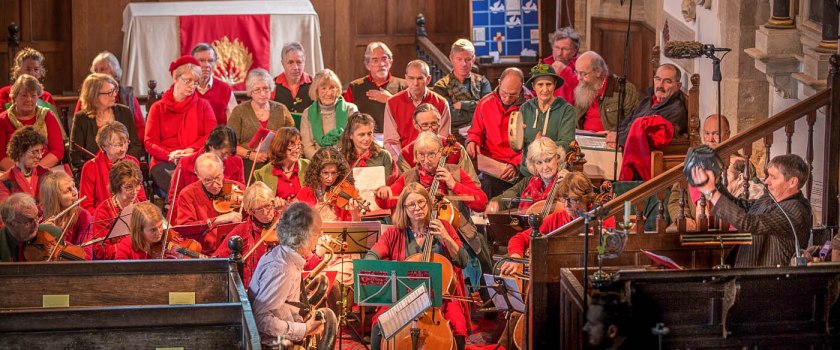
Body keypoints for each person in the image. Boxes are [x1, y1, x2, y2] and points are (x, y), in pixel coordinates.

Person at [367, 183, 471, 350]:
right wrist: (388, 268)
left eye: (422, 202)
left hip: (439, 298)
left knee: (457, 328)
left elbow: (463, 260)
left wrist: (446, 237)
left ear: (428, 204)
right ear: (404, 208)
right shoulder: (394, 233)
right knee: (379, 328)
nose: (417, 208)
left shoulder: (444, 227)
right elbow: (371, 256)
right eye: (411, 204)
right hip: (404, 297)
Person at [376, 131, 489, 284]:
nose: (426, 160)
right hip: (418, 236)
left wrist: (454, 184)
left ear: (440, 153)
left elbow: (481, 203)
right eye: (421, 155)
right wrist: (383, 194)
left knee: (465, 269)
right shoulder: (409, 176)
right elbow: (388, 202)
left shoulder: (455, 172)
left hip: (455, 235)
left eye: (431, 154)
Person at [689, 153, 812, 267]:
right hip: (746, 274)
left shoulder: (796, 209)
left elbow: (750, 223)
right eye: (768, 175)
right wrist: (715, 182)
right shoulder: (770, 197)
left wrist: (711, 192)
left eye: (773, 177)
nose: (766, 181)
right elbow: (741, 205)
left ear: (792, 182)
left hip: (767, 282)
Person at [499, 171, 614, 275]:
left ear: (586, 198)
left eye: (573, 200)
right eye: (564, 199)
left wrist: (604, 240)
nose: (566, 205)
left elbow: (613, 252)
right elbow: (520, 238)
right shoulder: (555, 219)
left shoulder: (604, 219)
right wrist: (515, 257)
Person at [248, 202, 328, 347]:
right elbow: (260, 320)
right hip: (273, 344)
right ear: (305, 237)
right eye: (317, 233)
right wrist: (305, 329)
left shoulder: (284, 255)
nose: (320, 236)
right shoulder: (281, 270)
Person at [145, 55, 217, 198]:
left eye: (196, 82)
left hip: (195, 157)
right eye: (188, 80)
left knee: (203, 177)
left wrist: (190, 150)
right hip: (165, 161)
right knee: (175, 179)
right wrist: (171, 155)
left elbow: (211, 135)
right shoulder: (157, 108)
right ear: (175, 78)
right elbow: (149, 142)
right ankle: (178, 213)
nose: (192, 86)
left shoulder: (203, 106)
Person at [608, 64, 688, 181]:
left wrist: (618, 138)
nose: (660, 85)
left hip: (636, 157)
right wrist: (614, 132)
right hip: (621, 145)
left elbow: (646, 138)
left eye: (667, 81)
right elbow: (629, 119)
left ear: (678, 85)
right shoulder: (649, 100)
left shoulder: (675, 110)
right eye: (658, 79)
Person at [466, 67, 528, 197]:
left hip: (519, 163)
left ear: (521, 88)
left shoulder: (528, 107)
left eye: (512, 95)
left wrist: (516, 164)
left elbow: (531, 143)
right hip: (492, 163)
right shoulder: (485, 103)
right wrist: (472, 141)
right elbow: (475, 132)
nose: (507, 98)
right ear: (499, 83)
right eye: (504, 93)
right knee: (488, 185)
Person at [172, 153, 244, 255]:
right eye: (208, 180)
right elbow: (185, 229)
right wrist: (216, 221)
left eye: (218, 177)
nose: (215, 185)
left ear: (223, 170)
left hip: (236, 250)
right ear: (197, 175)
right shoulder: (187, 194)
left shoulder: (238, 189)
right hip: (204, 253)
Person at [70, 73, 145, 171]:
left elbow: (135, 146)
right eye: (110, 92)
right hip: (94, 171)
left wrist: (121, 165)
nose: (115, 94)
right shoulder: (81, 118)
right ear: (94, 95)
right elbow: (75, 155)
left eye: (115, 90)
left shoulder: (125, 112)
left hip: (123, 169)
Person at [228, 68, 295, 176]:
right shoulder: (239, 111)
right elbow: (231, 144)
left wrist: (277, 152)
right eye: (257, 90)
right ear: (250, 91)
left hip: (277, 162)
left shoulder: (281, 109)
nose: (262, 93)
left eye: (266, 89)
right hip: (248, 163)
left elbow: (293, 137)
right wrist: (251, 155)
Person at [73, 51, 146, 147]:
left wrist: (123, 149)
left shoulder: (128, 96)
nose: (98, 73)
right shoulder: (86, 99)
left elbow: (140, 131)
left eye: (102, 69)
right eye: (95, 70)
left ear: (114, 71)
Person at [213, 181, 279, 286]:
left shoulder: (285, 223)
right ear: (250, 211)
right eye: (259, 209)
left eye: (268, 206)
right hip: (255, 288)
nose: (266, 212)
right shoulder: (241, 230)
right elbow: (218, 259)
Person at [383, 60, 452, 160]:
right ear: (406, 78)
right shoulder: (392, 103)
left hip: (433, 160)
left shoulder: (441, 103)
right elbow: (391, 142)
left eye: (420, 78)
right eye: (411, 78)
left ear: (428, 79)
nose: (415, 83)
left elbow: (443, 140)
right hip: (403, 161)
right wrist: (403, 163)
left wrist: (430, 162)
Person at [397, 104, 478, 184]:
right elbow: (407, 188)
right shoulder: (406, 154)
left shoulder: (456, 149)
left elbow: (473, 184)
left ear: (439, 123)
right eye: (425, 125)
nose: (430, 130)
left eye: (433, 124)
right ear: (416, 125)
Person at [518, 63, 576, 175]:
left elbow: (567, 143)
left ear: (555, 85)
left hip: (555, 173)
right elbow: (518, 146)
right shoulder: (525, 108)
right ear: (533, 86)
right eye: (540, 85)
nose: (545, 89)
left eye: (549, 84)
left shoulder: (566, 110)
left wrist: (541, 144)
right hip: (528, 172)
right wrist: (517, 136)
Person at [0, 75, 65, 172]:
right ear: (14, 97)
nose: (29, 99)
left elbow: (57, 150)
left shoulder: (48, 116)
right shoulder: (3, 120)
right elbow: (1, 155)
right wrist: (21, 172)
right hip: (13, 172)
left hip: (44, 169)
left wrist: (35, 170)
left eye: (33, 95)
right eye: (24, 95)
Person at [79, 121, 147, 213]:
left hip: (132, 214)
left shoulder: (133, 161)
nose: (123, 149)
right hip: (103, 218)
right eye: (117, 145)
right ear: (103, 147)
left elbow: (141, 197)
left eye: (125, 143)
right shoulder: (90, 167)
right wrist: (107, 217)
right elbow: (86, 206)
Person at [487, 138, 568, 213]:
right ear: (534, 165)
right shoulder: (528, 182)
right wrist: (496, 203)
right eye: (539, 163)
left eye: (548, 160)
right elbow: (508, 196)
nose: (545, 167)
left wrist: (571, 183)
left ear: (557, 158)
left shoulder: (566, 179)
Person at [167, 125, 245, 201]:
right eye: (223, 153)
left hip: (226, 210)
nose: (226, 157)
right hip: (193, 211)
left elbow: (240, 193)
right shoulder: (185, 162)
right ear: (211, 146)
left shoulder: (237, 161)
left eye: (230, 153)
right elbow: (174, 198)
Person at [433, 39, 492, 137]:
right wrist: (477, 111)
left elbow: (489, 109)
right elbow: (449, 116)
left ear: (473, 59)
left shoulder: (482, 82)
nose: (464, 64)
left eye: (468, 59)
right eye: (459, 59)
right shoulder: (441, 86)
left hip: (482, 134)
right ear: (451, 59)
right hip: (454, 136)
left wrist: (462, 105)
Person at [343, 42, 407, 132]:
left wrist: (391, 100)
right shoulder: (355, 87)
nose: (381, 64)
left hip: (397, 138)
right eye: (375, 60)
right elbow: (345, 118)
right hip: (365, 139)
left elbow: (412, 114)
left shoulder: (404, 86)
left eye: (384, 59)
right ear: (367, 65)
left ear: (390, 61)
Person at [573, 51, 640, 133]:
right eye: (576, 72)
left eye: (584, 74)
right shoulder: (583, 88)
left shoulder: (624, 89)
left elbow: (634, 123)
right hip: (583, 139)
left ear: (598, 71)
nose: (578, 78)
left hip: (609, 142)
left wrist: (612, 132)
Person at [91, 160, 145, 260]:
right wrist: (132, 246)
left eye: (137, 185)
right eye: (128, 187)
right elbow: (101, 251)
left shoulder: (141, 205)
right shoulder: (103, 211)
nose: (135, 191)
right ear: (116, 187)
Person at [300, 69, 359, 159]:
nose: (328, 92)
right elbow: (307, 146)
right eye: (323, 88)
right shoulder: (307, 113)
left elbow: (356, 142)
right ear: (316, 91)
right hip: (317, 162)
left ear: (337, 89)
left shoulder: (351, 110)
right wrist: (323, 161)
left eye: (332, 88)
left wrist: (338, 161)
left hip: (345, 160)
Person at [297, 146, 361, 222]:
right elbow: (297, 226)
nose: (330, 178)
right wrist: (312, 214)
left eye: (334, 173)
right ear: (316, 172)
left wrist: (355, 214)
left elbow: (354, 230)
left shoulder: (345, 191)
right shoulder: (305, 192)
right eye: (325, 173)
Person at [115, 202, 198, 260]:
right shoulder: (126, 246)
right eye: (153, 230)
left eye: (160, 226)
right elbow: (119, 274)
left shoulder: (167, 239)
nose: (159, 233)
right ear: (139, 230)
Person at [39, 171, 93, 259]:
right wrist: (39, 232)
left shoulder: (83, 216)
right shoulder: (37, 214)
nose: (75, 192)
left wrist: (59, 241)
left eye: (74, 186)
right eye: (68, 190)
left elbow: (87, 256)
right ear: (54, 198)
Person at [254, 127, 310, 205]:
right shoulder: (263, 173)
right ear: (280, 147)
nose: (297, 150)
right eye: (292, 145)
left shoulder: (308, 166)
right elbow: (261, 203)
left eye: (299, 145)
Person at [338, 112, 398, 185]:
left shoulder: (384, 156)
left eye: (369, 134)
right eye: (361, 135)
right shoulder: (341, 158)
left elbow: (389, 185)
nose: (367, 139)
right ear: (350, 135)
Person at [0, 193, 63, 262]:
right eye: (28, 222)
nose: (36, 225)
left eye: (37, 217)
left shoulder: (53, 233)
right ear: (11, 223)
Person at [0, 126, 51, 202]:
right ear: (20, 152)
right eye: (35, 152)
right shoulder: (4, 182)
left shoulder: (46, 173)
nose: (40, 156)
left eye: (41, 151)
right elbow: (6, 211)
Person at [0, 48, 57, 114]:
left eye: (36, 69)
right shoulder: (4, 93)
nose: (32, 73)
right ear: (18, 71)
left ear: (40, 72)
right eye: (28, 69)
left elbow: (53, 121)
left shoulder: (46, 97)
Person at [192, 43, 237, 125]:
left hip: (218, 136)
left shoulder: (225, 90)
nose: (206, 65)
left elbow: (235, 124)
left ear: (215, 63)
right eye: (201, 60)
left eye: (210, 61)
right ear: (192, 63)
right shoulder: (185, 87)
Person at [272, 42, 313, 114]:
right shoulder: (272, 85)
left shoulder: (314, 84)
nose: (295, 67)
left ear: (304, 62)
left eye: (299, 62)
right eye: (290, 62)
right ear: (283, 63)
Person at [542, 27, 581, 103]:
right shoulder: (544, 65)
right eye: (556, 47)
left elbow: (584, 91)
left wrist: (565, 72)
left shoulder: (582, 66)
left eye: (565, 49)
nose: (559, 53)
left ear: (574, 51)